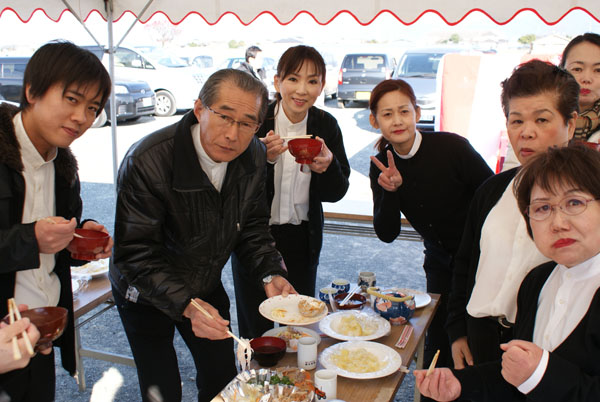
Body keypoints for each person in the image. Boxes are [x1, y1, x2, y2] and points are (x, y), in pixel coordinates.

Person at [109, 68, 296, 402]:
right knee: (161, 388)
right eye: (224, 116)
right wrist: (188, 305)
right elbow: (135, 253)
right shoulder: (149, 159)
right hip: (145, 292)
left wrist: (270, 272)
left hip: (204, 280)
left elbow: (252, 226)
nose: (233, 134)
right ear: (199, 109)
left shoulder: (253, 155)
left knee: (222, 378)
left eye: (247, 123)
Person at [416, 145, 600, 402]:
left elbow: (537, 375)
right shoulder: (537, 281)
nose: (558, 223)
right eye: (543, 208)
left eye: (574, 203)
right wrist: (461, 384)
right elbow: (518, 376)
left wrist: (542, 374)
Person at [446, 59, 579, 370]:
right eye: (516, 121)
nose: (526, 133)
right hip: (480, 333)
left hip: (540, 346)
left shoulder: (585, 203)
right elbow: (465, 262)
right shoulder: (492, 190)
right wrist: (457, 330)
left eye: (542, 120)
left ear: (570, 124)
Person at [0, 41, 113, 402]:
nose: (82, 117)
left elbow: (56, 247)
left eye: (93, 107)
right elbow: (29, 239)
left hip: (41, 332)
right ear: (32, 91)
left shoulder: (64, 167)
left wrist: (80, 239)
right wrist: (31, 239)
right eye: (72, 99)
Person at [368, 79, 493, 371]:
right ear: (375, 121)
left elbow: (493, 195)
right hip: (438, 260)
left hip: (480, 256)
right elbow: (387, 233)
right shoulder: (381, 165)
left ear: (417, 113)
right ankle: (433, 389)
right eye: (387, 114)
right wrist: (390, 191)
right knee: (437, 337)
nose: (397, 121)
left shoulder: (452, 147)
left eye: (404, 111)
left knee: (475, 336)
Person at [231, 45, 350, 339]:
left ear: (322, 86)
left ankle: (298, 369)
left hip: (302, 239)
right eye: (293, 79)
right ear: (277, 81)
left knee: (300, 326)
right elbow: (232, 184)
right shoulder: (258, 120)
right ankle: (254, 368)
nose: (302, 90)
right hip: (254, 239)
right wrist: (262, 159)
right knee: (255, 329)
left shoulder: (326, 125)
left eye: (312, 81)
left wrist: (328, 167)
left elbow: (337, 191)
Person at [560, 32, 600, 142]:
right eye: (577, 69)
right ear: (561, 71)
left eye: (598, 70)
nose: (586, 79)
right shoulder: (540, 115)